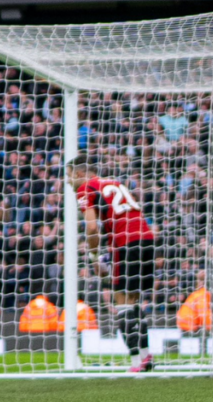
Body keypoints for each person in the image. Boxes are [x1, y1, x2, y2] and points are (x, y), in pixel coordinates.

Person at [67, 153, 156, 372]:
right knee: (134, 301)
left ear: (79, 174)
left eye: (69, 177)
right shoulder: (114, 183)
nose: (69, 182)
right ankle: (146, 357)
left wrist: (94, 256)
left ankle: (136, 361)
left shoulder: (85, 189)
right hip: (146, 237)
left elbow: (91, 227)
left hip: (125, 242)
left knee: (121, 302)